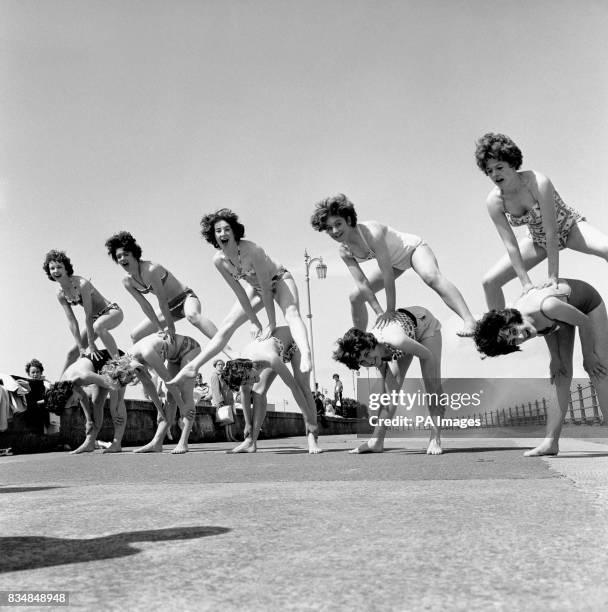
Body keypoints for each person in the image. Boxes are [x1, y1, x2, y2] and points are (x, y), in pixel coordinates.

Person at [169, 209, 312, 385]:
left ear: (235, 231)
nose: (223, 233)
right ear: (213, 236)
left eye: (227, 229)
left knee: (291, 313)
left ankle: (306, 353)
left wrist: (271, 322)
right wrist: (253, 320)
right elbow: (240, 293)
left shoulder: (253, 250)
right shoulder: (219, 261)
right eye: (218, 230)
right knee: (227, 324)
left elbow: (268, 289)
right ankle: (193, 367)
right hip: (256, 287)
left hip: (278, 279)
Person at [473, 278, 608, 457]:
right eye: (514, 342)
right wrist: (555, 358)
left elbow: (584, 321)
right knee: (560, 374)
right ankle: (550, 443)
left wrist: (588, 355)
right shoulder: (525, 324)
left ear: (512, 319)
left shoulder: (548, 306)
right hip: (559, 316)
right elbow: (546, 329)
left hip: (586, 306)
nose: (520, 337)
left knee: (598, 370)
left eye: (514, 331)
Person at [311, 194, 476, 336]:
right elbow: (362, 283)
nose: (334, 231)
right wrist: (379, 313)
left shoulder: (371, 233)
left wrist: (390, 311)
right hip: (396, 263)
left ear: (348, 219)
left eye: (338, 224)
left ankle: (469, 320)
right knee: (355, 297)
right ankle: (359, 341)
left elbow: (387, 273)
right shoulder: (344, 251)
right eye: (329, 228)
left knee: (430, 277)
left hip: (412, 250)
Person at [476, 133, 608, 310]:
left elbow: (551, 232)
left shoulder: (538, 182)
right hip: (537, 240)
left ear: (512, 163)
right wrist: (526, 284)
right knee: (489, 282)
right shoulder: (494, 201)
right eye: (489, 171)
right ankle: (500, 332)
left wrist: (553, 277)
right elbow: (511, 246)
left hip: (569, 227)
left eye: (499, 167)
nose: (494, 174)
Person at [334, 306, 444, 455]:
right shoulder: (373, 355)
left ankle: (435, 438)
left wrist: (430, 378)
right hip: (403, 338)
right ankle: (376, 441)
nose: (369, 361)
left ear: (371, 343)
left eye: (367, 354)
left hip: (424, 326)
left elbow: (427, 356)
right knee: (389, 393)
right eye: (362, 361)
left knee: (431, 384)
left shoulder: (395, 339)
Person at [104, 231, 222, 345]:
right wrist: (160, 329)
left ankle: (229, 350)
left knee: (193, 316)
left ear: (134, 254)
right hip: (169, 309)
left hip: (185, 298)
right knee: (136, 336)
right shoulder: (127, 281)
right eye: (119, 256)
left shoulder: (151, 269)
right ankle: (148, 365)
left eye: (126, 254)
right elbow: (145, 306)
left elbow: (162, 300)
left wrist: (171, 328)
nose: (122, 258)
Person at [221, 326, 322, 454]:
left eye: (249, 378)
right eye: (247, 382)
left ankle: (312, 437)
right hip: (274, 348)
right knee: (258, 392)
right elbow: (245, 393)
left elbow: (294, 388)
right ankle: (250, 442)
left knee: (302, 386)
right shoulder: (241, 369)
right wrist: (248, 424)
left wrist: (309, 420)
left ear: (249, 368)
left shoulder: (270, 358)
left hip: (294, 341)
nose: (251, 382)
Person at [119, 332, 201, 454]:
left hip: (189, 348)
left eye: (130, 377)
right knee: (170, 397)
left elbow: (169, 380)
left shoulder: (147, 352)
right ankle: (156, 443)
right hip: (174, 357)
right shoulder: (129, 361)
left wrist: (182, 407)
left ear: (125, 370)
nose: (132, 379)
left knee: (185, 394)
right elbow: (148, 385)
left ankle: (183, 443)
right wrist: (159, 410)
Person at [43, 250, 123, 374]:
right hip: (95, 321)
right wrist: (81, 347)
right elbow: (72, 321)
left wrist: (91, 344)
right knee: (71, 353)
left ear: (66, 269)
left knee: (98, 326)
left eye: (59, 267)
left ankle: (121, 364)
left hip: (111, 312)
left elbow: (88, 315)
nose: (55, 271)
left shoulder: (81, 283)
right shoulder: (60, 293)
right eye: (52, 268)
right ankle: (59, 386)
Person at [44, 350, 137, 454]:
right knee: (96, 401)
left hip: (114, 359)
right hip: (99, 369)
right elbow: (82, 397)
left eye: (72, 402)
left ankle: (117, 444)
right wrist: (89, 420)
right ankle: (90, 443)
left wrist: (113, 408)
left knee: (118, 401)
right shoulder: (66, 385)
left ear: (69, 393)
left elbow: (113, 385)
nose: (75, 404)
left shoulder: (83, 376)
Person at [207, 359, 237, 442]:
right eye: (219, 364)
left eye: (222, 364)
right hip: (223, 400)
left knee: (230, 419)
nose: (221, 366)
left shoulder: (224, 375)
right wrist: (219, 401)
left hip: (229, 399)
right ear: (215, 366)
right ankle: (228, 436)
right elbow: (215, 390)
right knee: (226, 419)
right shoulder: (215, 375)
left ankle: (231, 436)